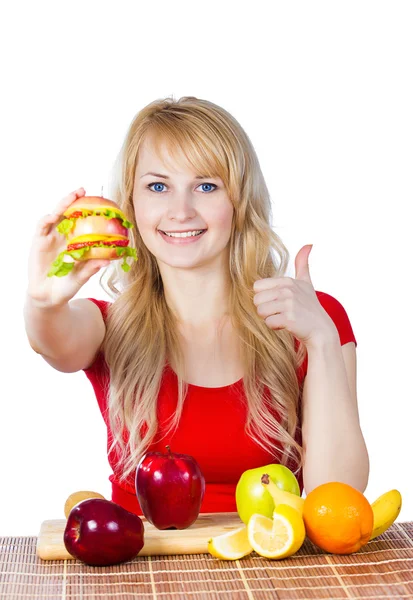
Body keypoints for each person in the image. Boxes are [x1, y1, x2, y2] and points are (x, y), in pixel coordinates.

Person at [23, 96, 369, 515]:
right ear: (130, 204)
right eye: (158, 186)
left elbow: (337, 499)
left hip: (270, 569)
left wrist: (321, 339)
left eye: (206, 186)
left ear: (239, 202)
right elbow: (55, 342)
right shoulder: (107, 326)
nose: (181, 211)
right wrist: (42, 303)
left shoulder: (311, 318)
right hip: (142, 572)